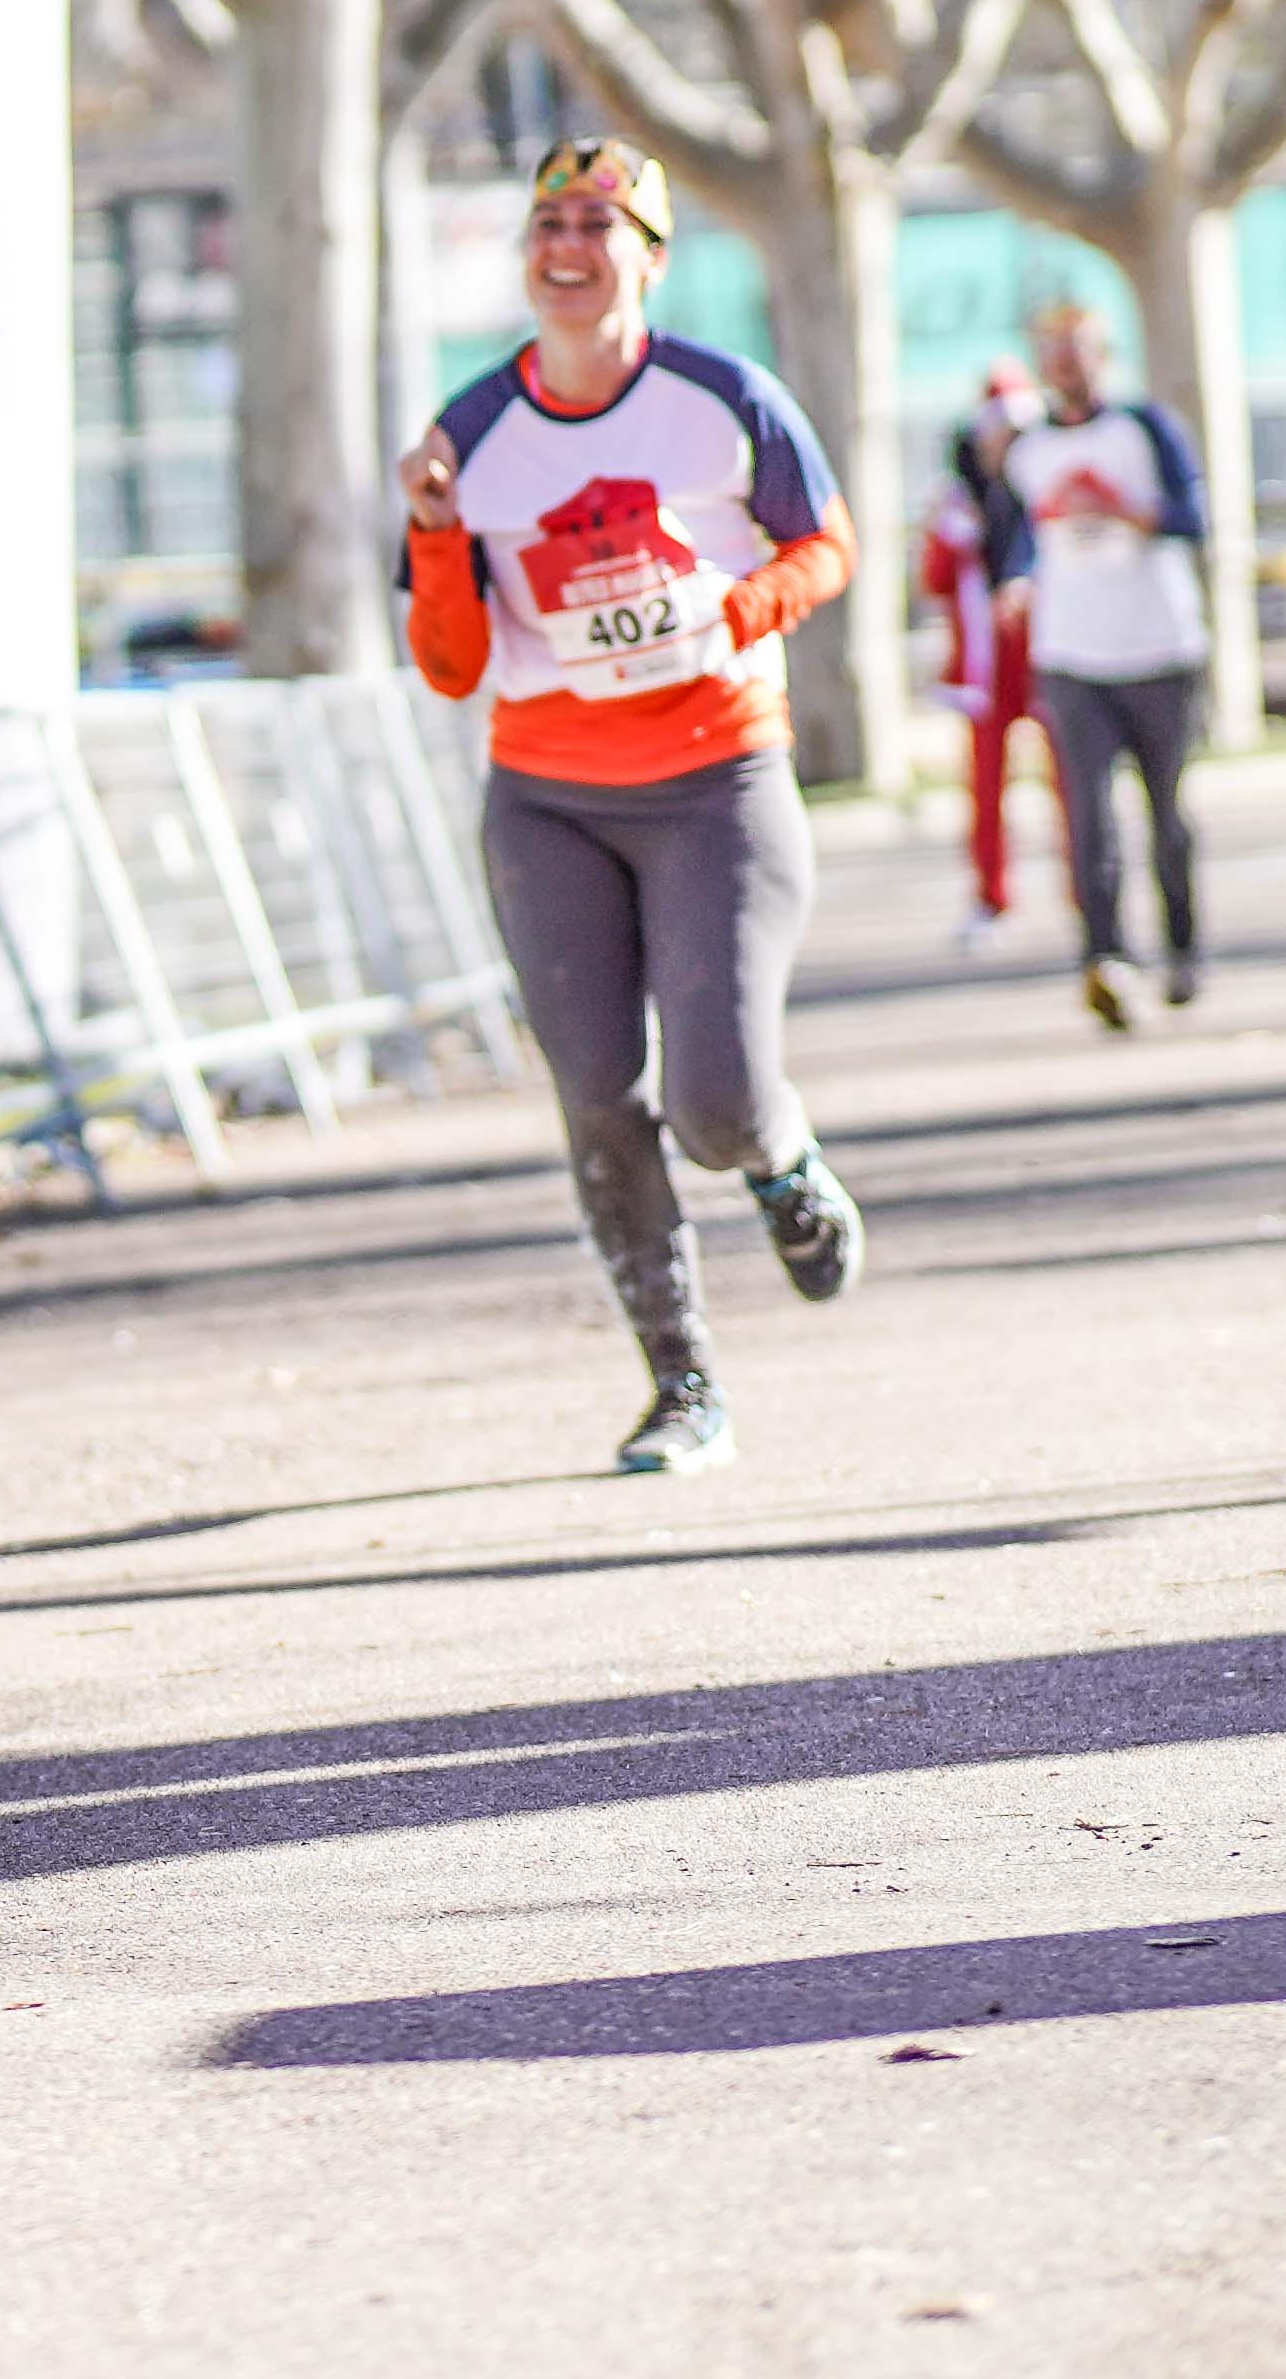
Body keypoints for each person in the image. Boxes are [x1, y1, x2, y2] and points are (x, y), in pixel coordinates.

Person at [399, 139, 870, 1477]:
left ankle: (778, 1158)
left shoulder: (725, 399)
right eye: (546, 223)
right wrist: (433, 530)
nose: (566, 247)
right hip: (549, 801)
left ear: (648, 258)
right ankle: (682, 1385)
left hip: (718, 782)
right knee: (600, 1101)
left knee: (714, 1106)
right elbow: (452, 666)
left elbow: (827, 544)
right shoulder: (470, 431)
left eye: (596, 226)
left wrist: (744, 606)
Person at [992, 299, 1219, 1028]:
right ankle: (1105, 959)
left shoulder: (1144, 428)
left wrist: (1121, 510)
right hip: (1071, 653)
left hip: (1159, 647)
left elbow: (1193, 518)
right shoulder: (1027, 450)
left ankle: (1181, 948)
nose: (1065, 361)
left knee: (1165, 812)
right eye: (1052, 348)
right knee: (1087, 816)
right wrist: (1015, 583)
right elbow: (1019, 538)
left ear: (1103, 354)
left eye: (1078, 347)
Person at [913, 368, 1037, 953]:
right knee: (986, 785)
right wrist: (947, 535)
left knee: (1074, 780)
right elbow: (935, 580)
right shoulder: (958, 497)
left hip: (1046, 653)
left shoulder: (1041, 483)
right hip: (986, 664)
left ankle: (1090, 898)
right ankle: (992, 897)